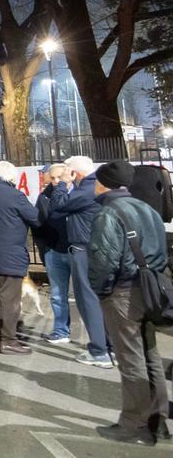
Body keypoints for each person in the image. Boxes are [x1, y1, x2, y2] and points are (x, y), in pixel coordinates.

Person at [87, 160, 169, 446]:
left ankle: (134, 425)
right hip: (150, 289)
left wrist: (101, 290)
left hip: (123, 293)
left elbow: (103, 260)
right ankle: (157, 422)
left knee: (131, 359)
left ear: (104, 184)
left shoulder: (108, 213)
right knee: (150, 357)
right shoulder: (148, 208)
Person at [49, 155, 114, 368]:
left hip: (84, 250)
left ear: (75, 173)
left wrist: (62, 184)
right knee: (98, 299)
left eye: (68, 171)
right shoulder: (95, 187)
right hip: (93, 249)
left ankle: (99, 351)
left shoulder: (85, 190)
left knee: (88, 300)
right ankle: (109, 346)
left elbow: (59, 205)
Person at [0, 160, 38, 355]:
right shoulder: (15, 195)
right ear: (12, 177)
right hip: (8, 255)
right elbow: (35, 217)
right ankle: (9, 340)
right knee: (9, 300)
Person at [36, 163, 73, 346]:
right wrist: (45, 251)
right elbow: (38, 225)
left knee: (86, 295)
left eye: (59, 177)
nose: (56, 181)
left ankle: (101, 338)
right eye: (53, 178)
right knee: (58, 295)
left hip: (77, 251)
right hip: (54, 251)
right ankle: (61, 330)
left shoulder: (78, 193)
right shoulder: (43, 197)